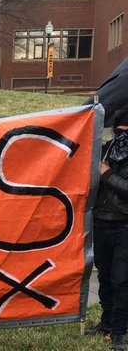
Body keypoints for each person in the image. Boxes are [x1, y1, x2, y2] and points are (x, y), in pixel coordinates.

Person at [86, 109, 128, 351]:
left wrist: (107, 173)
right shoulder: (105, 150)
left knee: (121, 280)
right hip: (101, 223)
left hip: (124, 226)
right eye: (118, 130)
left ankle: (119, 331)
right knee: (104, 278)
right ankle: (106, 323)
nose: (120, 136)